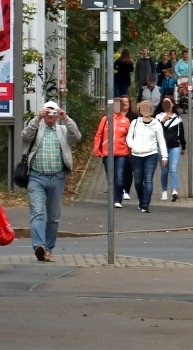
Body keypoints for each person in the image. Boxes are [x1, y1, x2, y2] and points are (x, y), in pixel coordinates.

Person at [22, 100, 81, 261]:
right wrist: (37, 119)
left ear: (57, 114)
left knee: (54, 217)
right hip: (36, 177)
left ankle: (48, 249)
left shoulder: (62, 130)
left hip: (57, 178)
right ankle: (39, 246)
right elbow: (25, 135)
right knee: (37, 213)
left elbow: (76, 136)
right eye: (47, 111)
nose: (50, 115)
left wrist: (66, 118)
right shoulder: (36, 127)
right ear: (43, 113)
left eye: (53, 112)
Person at [126, 101, 168, 213]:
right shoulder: (135, 122)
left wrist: (165, 156)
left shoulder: (156, 124)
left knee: (148, 179)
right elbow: (129, 137)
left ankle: (145, 204)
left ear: (151, 110)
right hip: (136, 156)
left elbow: (161, 140)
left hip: (151, 155)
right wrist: (132, 146)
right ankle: (141, 200)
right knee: (138, 181)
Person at [92, 101, 131, 208]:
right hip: (107, 153)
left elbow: (129, 136)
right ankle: (113, 197)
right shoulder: (105, 119)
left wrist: (130, 150)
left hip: (121, 153)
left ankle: (118, 200)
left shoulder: (126, 121)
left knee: (119, 176)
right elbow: (98, 135)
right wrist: (97, 149)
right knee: (111, 177)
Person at [157, 98, 186, 202]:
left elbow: (181, 133)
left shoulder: (177, 118)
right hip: (162, 147)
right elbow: (156, 132)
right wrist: (162, 122)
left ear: (173, 104)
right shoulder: (158, 117)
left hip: (174, 146)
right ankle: (164, 191)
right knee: (164, 170)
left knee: (173, 169)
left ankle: (174, 191)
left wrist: (183, 146)